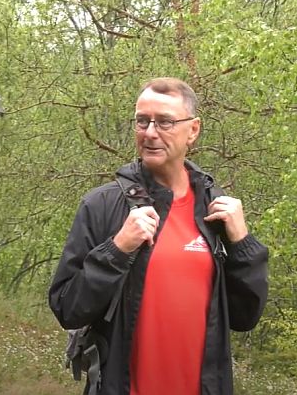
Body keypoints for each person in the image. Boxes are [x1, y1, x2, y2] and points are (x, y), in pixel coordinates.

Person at [48, 77, 269, 395]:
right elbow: (68, 309)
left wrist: (243, 244)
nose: (150, 133)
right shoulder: (103, 205)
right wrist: (117, 249)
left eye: (165, 122)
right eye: (142, 121)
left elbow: (245, 316)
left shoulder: (215, 211)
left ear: (193, 130)